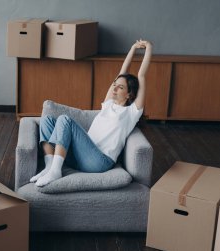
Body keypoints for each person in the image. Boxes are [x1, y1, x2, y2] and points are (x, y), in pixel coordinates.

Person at [31, 39, 153, 187]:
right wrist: (133, 48)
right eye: (114, 85)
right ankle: (50, 166)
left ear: (129, 94)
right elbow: (122, 72)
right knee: (47, 119)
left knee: (65, 120)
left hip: (99, 161)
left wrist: (149, 48)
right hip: (81, 156)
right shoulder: (108, 104)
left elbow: (141, 75)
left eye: (120, 87)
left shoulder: (132, 112)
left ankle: (56, 171)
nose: (114, 89)